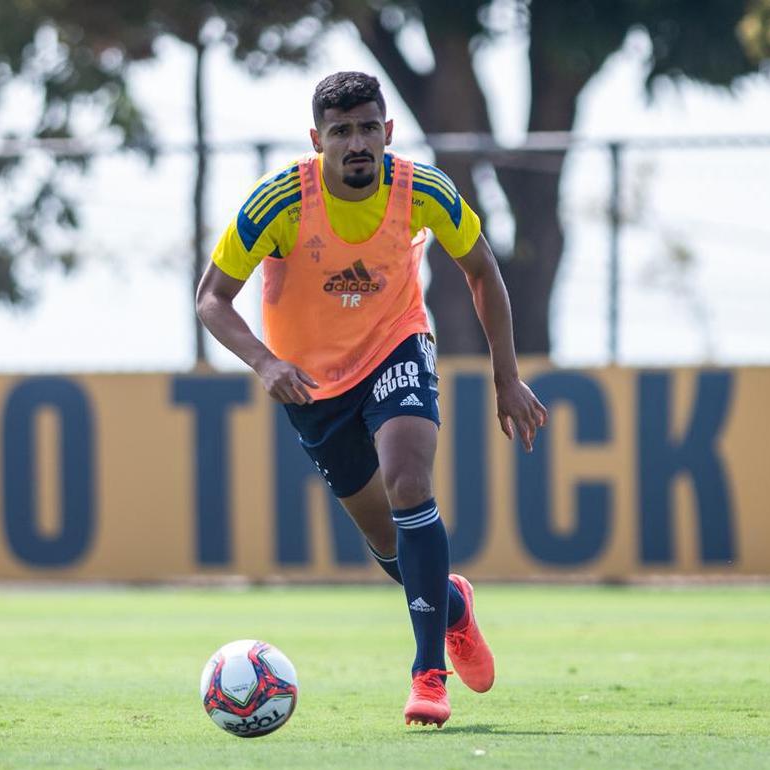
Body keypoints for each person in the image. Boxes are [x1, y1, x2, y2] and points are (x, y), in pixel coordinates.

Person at [194, 71, 548, 728]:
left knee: (408, 482)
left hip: (396, 346)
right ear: (316, 140)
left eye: (366, 129)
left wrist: (506, 377)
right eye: (340, 132)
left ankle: (427, 674)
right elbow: (211, 298)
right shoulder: (278, 202)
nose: (356, 143)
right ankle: (453, 608)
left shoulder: (421, 188)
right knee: (389, 546)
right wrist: (265, 363)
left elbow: (480, 269)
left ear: (386, 131)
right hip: (312, 387)